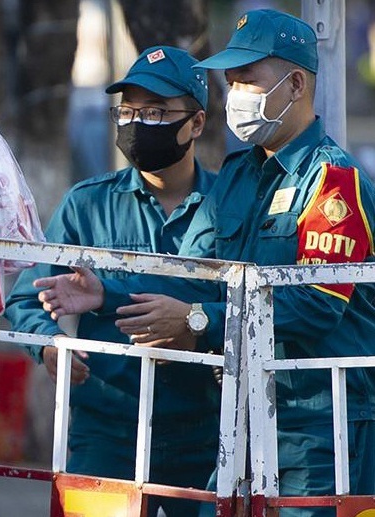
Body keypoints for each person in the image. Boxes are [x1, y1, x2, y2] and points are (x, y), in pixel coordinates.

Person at [33, 10, 375, 517]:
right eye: (230, 80)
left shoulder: (332, 182)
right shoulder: (240, 175)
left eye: (247, 80)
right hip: (244, 417)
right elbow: (202, 278)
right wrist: (111, 296)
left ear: (296, 83)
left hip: (322, 423)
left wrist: (197, 322)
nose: (234, 94)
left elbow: (314, 307)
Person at [4, 46, 220, 517]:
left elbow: (248, 307)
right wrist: (48, 347)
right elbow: (26, 298)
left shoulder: (230, 206)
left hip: (205, 434)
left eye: (157, 111)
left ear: (197, 123)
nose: (138, 123)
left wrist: (195, 318)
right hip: (107, 428)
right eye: (128, 110)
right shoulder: (88, 204)